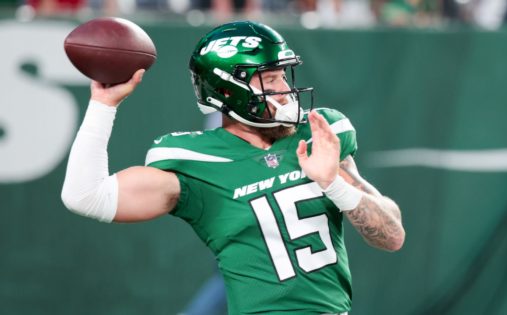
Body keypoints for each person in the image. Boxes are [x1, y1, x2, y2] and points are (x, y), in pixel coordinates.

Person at [61, 21, 405, 314]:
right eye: (269, 79)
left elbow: (392, 236)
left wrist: (334, 183)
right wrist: (102, 106)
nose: (285, 90)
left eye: (283, 75)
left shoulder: (319, 134)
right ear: (229, 89)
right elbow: (85, 196)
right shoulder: (196, 161)